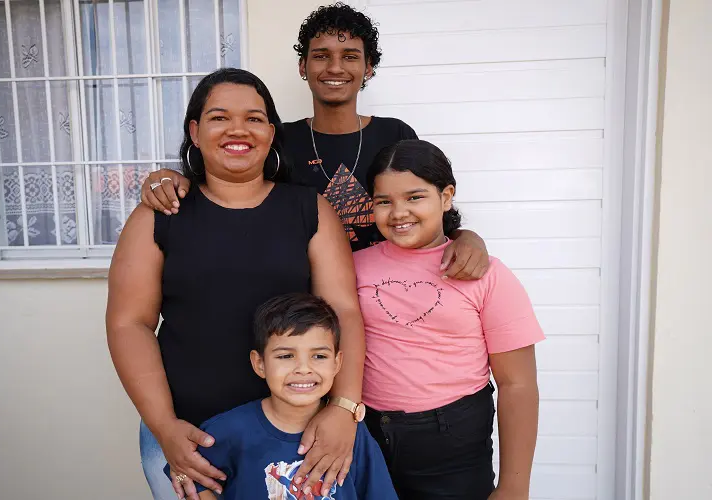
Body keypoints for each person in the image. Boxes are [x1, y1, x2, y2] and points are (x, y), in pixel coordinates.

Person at [107, 68, 365, 500]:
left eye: (254, 118)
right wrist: (165, 427)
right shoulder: (159, 216)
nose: (237, 130)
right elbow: (128, 324)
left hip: (294, 441)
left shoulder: (309, 210)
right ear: (194, 130)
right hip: (189, 439)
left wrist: (343, 408)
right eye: (219, 117)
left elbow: (344, 311)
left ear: (270, 131)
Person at [139, 3, 490, 280]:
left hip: (388, 292)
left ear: (368, 68)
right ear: (302, 66)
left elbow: (431, 214)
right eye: (321, 55)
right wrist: (174, 178)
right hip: (304, 307)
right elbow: (228, 185)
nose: (335, 67)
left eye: (350, 56)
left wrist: (468, 238)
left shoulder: (394, 135)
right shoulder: (278, 139)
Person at [355, 139, 544, 499]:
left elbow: (517, 384)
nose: (398, 213)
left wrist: (514, 486)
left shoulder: (486, 274)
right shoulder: (354, 267)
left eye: (415, 197)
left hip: (453, 445)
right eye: (384, 201)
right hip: (368, 439)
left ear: (446, 197)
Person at [163, 293, 398, 500]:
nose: (303, 368)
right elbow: (189, 473)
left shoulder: (350, 433)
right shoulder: (230, 430)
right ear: (260, 364)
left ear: (337, 363)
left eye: (319, 356)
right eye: (286, 356)